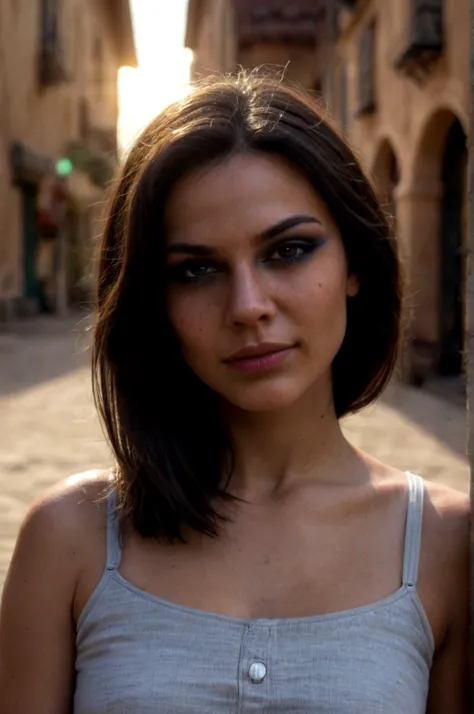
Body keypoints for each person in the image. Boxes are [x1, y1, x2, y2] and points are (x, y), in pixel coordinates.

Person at [0, 73, 469, 713]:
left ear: (355, 263)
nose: (248, 306)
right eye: (196, 271)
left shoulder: (447, 545)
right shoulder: (70, 538)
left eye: (290, 250)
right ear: (153, 301)